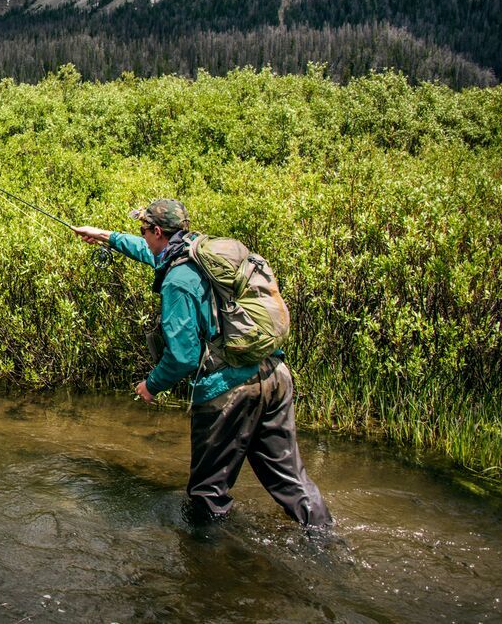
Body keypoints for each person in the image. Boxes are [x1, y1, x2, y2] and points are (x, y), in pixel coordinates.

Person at [73, 198, 332, 529]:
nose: (142, 235)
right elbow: (148, 251)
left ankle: (210, 564)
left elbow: (184, 356)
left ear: (157, 231)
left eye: (143, 229)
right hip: (274, 374)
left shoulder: (177, 281)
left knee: (207, 494)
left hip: (229, 391)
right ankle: (323, 537)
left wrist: (150, 386)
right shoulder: (199, 250)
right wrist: (104, 235)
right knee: (291, 480)